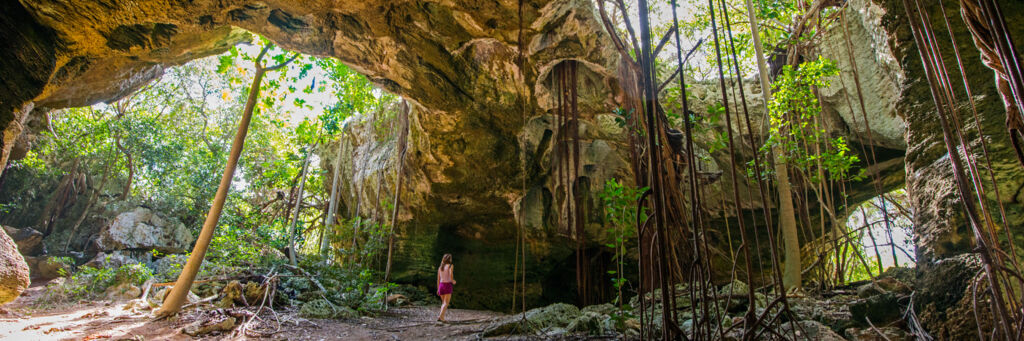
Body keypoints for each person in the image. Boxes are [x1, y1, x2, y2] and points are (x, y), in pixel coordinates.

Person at [436, 253, 456, 322]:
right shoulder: (450, 266)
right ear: (449, 259)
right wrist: (453, 281)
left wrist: (438, 289)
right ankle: (441, 317)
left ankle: (440, 316)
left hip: (441, 285)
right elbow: (450, 274)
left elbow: (438, 279)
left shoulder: (440, 267)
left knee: (443, 303)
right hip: (447, 285)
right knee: (445, 303)